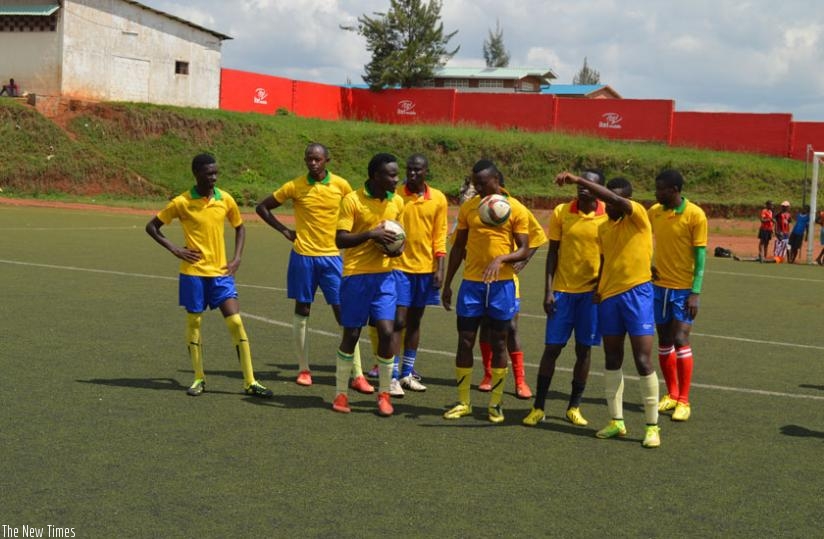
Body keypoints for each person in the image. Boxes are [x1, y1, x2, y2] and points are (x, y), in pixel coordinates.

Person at [145, 153, 273, 398]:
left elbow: (239, 227)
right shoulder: (181, 202)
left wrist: (237, 258)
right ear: (196, 174)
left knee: (235, 322)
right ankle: (198, 378)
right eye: (209, 173)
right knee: (195, 323)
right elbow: (152, 227)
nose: (213, 177)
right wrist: (175, 249)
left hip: (221, 273)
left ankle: (250, 381)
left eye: (216, 173)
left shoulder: (225, 199)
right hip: (193, 274)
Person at [255, 143, 373, 394]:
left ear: (327, 160)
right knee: (303, 309)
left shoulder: (341, 186)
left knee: (345, 313)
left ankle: (358, 373)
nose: (313, 163)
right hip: (303, 257)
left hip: (332, 258)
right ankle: (304, 369)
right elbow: (262, 207)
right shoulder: (295, 186)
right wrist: (285, 231)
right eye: (309, 158)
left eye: (317, 159)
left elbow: (356, 211)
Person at [555, 172, 661, 448]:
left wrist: (577, 179)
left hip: (638, 294)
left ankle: (652, 427)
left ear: (625, 200)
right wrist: (599, 288)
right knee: (612, 359)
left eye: (613, 201)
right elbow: (605, 261)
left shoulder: (638, 215)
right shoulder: (603, 228)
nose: (608, 206)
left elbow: (612, 198)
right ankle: (617, 421)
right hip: (609, 298)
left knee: (642, 360)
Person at [441, 159, 530, 424]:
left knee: (500, 341)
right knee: (465, 339)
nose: (477, 187)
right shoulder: (469, 208)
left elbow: (524, 248)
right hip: (472, 284)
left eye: (482, 183)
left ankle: (495, 404)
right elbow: (458, 248)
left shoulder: (515, 209)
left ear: (496, 181)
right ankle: (463, 402)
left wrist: (502, 259)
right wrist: (448, 284)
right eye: (474, 183)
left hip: (502, 285)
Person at [523, 169, 607, 428]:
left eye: (590, 185)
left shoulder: (607, 216)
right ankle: (538, 407)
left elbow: (608, 257)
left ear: (599, 189)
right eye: (581, 184)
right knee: (552, 349)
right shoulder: (562, 212)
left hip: (591, 297)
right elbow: (553, 254)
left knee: (584, 350)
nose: (583, 189)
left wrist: (601, 288)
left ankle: (574, 407)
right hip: (562, 293)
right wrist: (548, 290)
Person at [331, 153, 404, 416]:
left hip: (385, 276)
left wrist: (395, 250)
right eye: (391, 175)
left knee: (387, 331)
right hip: (356, 275)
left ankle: (384, 394)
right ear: (376, 176)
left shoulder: (397, 201)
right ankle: (340, 394)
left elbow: (398, 237)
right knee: (351, 334)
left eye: (397, 174)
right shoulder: (352, 200)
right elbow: (340, 240)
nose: (397, 179)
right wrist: (370, 234)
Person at [648, 169, 708, 422]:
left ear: (674, 190)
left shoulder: (695, 215)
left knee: (681, 338)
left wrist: (695, 291)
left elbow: (701, 257)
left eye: (660, 188)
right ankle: (671, 394)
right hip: (658, 287)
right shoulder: (655, 212)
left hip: (683, 289)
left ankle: (684, 400)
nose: (656, 192)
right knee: (664, 340)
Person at [388, 153, 448, 395]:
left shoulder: (439, 199)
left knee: (414, 323)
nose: (412, 174)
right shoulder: (396, 196)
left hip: (425, 270)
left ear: (426, 172)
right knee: (398, 321)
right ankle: (390, 376)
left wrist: (440, 269)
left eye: (417, 170)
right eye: (409, 169)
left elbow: (440, 234)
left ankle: (406, 374)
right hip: (399, 268)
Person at [477, 207, 547, 399]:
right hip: (479, 280)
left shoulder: (515, 207)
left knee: (511, 328)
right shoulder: (475, 206)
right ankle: (488, 375)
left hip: (506, 282)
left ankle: (520, 381)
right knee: (485, 325)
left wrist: (522, 262)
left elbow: (537, 236)